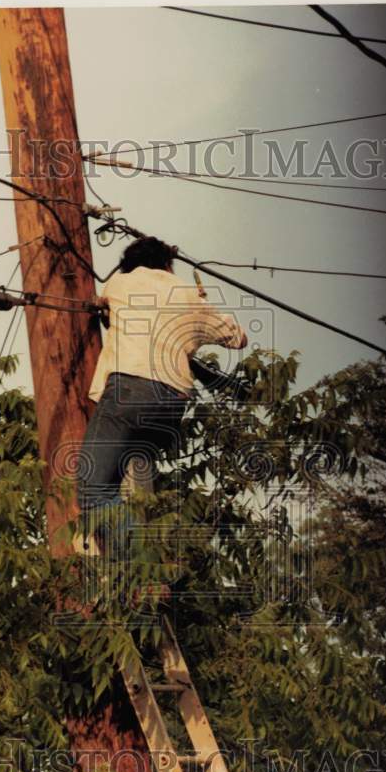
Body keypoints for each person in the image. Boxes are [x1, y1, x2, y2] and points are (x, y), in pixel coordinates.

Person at [76, 236, 247, 577]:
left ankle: (139, 567)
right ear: (168, 265)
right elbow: (237, 338)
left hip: (130, 392)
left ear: (130, 264)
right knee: (122, 477)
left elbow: (102, 305)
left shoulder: (121, 282)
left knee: (93, 490)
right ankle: (127, 548)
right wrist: (196, 313)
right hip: (171, 404)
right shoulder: (190, 296)